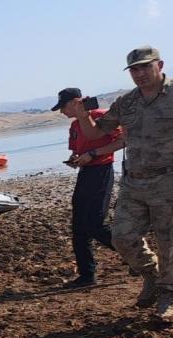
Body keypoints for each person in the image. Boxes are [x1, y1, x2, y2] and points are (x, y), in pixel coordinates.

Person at [74, 46, 173, 320]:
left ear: (160, 65)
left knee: (169, 241)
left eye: (144, 67)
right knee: (122, 237)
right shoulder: (126, 102)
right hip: (134, 182)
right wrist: (83, 115)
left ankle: (167, 295)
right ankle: (150, 273)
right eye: (134, 69)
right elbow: (96, 134)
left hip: (168, 180)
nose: (139, 73)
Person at [52, 87, 125, 288]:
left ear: (75, 102)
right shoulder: (75, 126)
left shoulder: (101, 116)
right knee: (79, 226)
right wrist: (75, 159)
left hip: (101, 172)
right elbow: (78, 151)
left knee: (95, 224)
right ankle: (87, 275)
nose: (62, 112)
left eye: (63, 107)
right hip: (86, 174)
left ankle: (134, 255)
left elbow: (121, 142)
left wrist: (93, 154)